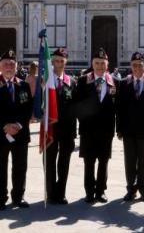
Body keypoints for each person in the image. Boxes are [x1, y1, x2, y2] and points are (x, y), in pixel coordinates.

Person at [117, 52, 144, 203]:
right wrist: (119, 129)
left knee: (143, 160)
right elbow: (119, 108)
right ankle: (131, 189)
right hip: (128, 130)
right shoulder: (123, 83)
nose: (137, 68)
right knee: (129, 160)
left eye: (140, 65)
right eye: (134, 65)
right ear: (131, 66)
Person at [76, 48, 117, 203]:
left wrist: (117, 129)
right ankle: (89, 191)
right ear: (92, 64)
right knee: (89, 161)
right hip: (88, 130)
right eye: (97, 63)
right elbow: (77, 104)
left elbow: (118, 107)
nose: (100, 66)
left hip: (106, 130)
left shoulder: (114, 82)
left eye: (103, 63)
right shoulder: (83, 81)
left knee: (104, 161)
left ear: (107, 65)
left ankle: (100, 191)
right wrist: (83, 122)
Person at [0, 50, 33, 210]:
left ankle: (18, 196)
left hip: (20, 134)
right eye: (6, 64)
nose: (9, 67)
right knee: (0, 166)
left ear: (16, 66)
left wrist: (18, 125)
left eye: (12, 64)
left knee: (20, 166)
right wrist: (4, 126)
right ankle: (0, 198)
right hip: (1, 134)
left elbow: (28, 108)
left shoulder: (23, 85)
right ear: (0, 66)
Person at [45, 48, 77, 205]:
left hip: (67, 129)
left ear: (66, 62)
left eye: (61, 61)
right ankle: (51, 193)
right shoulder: (46, 81)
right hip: (50, 128)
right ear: (52, 61)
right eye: (56, 60)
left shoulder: (72, 82)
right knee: (49, 161)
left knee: (64, 162)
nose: (59, 63)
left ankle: (61, 192)